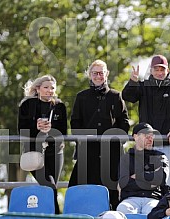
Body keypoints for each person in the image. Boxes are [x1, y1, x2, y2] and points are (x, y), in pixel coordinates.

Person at [69, 59, 130, 209]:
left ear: (106, 74)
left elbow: (124, 121)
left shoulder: (116, 96)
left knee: (112, 191)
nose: (98, 76)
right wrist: (84, 137)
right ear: (89, 75)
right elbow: (75, 123)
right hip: (88, 152)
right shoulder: (81, 97)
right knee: (82, 188)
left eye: (101, 73)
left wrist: (116, 137)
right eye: (95, 73)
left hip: (111, 152)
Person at [122, 54, 170, 189]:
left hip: (167, 142)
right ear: (151, 70)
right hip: (147, 144)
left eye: (162, 69)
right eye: (157, 69)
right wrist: (133, 81)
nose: (160, 73)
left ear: (168, 71)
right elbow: (128, 96)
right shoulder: (143, 86)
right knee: (147, 181)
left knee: (169, 182)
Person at [18, 75, 67, 214]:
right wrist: (36, 126)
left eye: (52, 88)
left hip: (55, 151)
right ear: (38, 89)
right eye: (46, 87)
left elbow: (64, 131)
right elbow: (21, 129)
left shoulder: (59, 106)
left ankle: (48, 214)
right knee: (50, 186)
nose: (49, 90)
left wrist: (51, 128)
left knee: (52, 187)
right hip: (33, 152)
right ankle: (57, 215)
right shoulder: (27, 105)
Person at [116, 122, 170, 215]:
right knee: (123, 209)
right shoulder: (126, 158)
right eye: (146, 135)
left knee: (152, 211)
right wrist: (151, 179)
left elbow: (161, 179)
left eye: (151, 136)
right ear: (135, 137)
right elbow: (124, 183)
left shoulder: (160, 156)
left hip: (153, 198)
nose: (150, 138)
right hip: (130, 199)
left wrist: (138, 176)